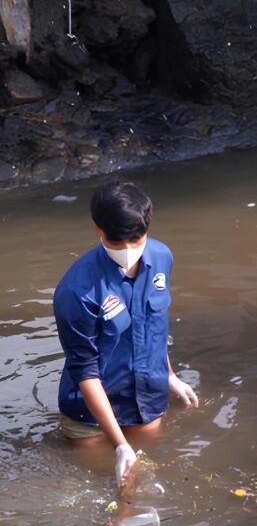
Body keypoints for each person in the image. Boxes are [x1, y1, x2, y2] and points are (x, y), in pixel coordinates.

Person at [53, 181, 198, 486]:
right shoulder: (76, 291)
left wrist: (168, 375)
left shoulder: (161, 258)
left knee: (147, 481)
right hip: (88, 417)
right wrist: (119, 446)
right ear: (98, 230)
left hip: (147, 399)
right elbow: (85, 371)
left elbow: (154, 325)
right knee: (99, 483)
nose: (129, 251)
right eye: (119, 243)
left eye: (137, 240)